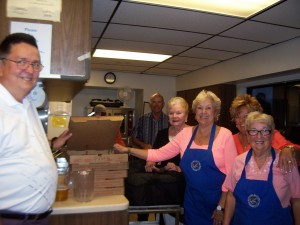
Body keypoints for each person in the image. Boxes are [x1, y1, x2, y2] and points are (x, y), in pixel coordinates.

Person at [114, 90, 237, 225]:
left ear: (215, 112)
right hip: (191, 201)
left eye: (208, 108)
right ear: (194, 112)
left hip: (216, 202)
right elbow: (158, 153)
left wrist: (221, 207)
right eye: (200, 108)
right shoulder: (186, 133)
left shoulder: (225, 135)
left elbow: (232, 177)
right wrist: (128, 149)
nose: (203, 112)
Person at [0, 33, 57, 225]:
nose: (30, 70)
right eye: (21, 61)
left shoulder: (27, 104)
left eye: (35, 64)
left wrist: (54, 144)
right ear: (1, 66)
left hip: (37, 219)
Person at [223, 111, 300, 225]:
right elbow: (231, 196)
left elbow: (297, 200)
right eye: (253, 131)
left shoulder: (285, 161)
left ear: (272, 135)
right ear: (248, 136)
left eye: (265, 131)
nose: (259, 136)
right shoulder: (239, 161)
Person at [126, 97, 188, 223]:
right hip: (163, 185)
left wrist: (179, 168)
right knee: (161, 218)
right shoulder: (162, 133)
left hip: (184, 187)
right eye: (171, 113)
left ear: (186, 116)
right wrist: (151, 163)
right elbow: (155, 154)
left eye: (178, 113)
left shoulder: (193, 134)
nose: (174, 116)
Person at [230, 94, 300, 172]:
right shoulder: (230, 139)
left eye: (246, 116)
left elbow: (297, 151)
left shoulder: (267, 134)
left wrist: (289, 149)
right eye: (237, 117)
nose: (241, 121)